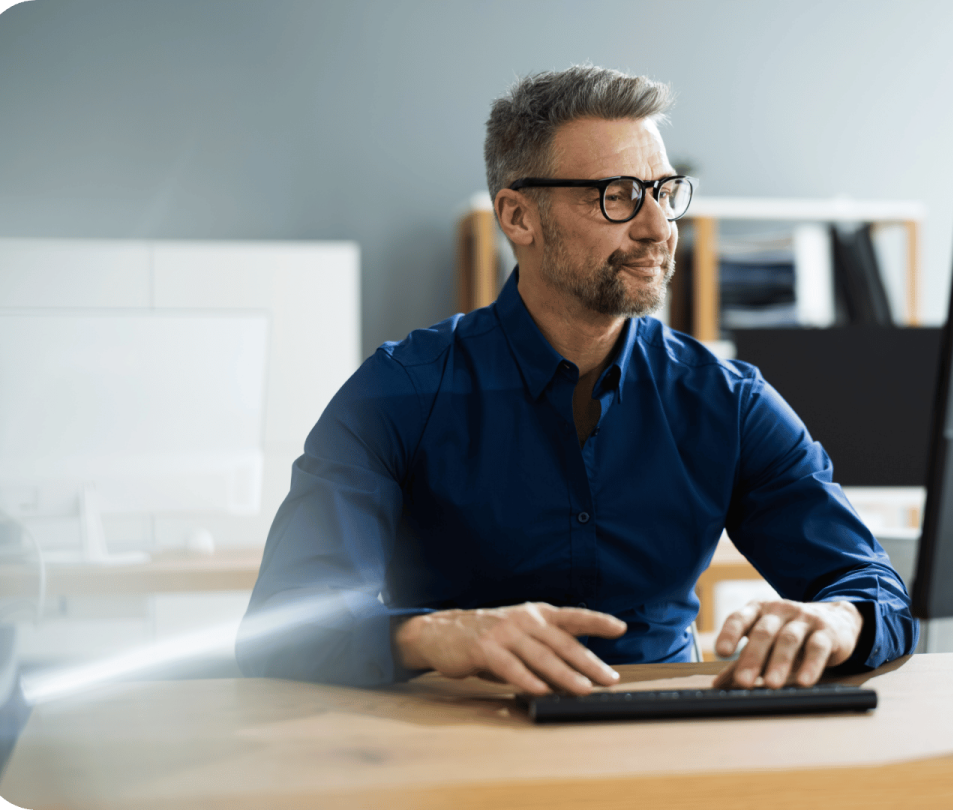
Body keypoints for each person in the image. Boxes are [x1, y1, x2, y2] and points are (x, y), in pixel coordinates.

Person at [236, 65, 917, 695]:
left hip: (669, 750)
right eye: (617, 197)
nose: (658, 227)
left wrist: (837, 621)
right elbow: (281, 630)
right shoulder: (398, 393)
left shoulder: (727, 401)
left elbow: (875, 591)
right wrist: (433, 633)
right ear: (517, 216)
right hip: (460, 750)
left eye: (663, 192)